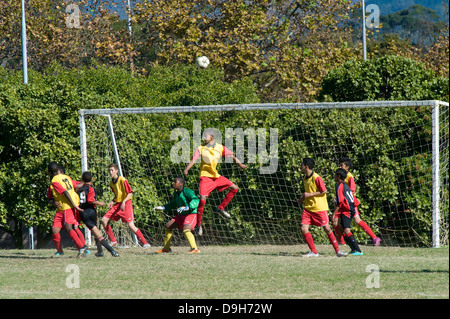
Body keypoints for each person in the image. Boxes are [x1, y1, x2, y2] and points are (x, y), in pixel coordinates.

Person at [183, 129, 246, 235]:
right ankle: (198, 225)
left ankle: (221, 208)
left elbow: (232, 156)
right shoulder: (200, 148)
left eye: (205, 136)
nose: (204, 138)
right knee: (202, 200)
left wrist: (240, 164)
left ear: (212, 137)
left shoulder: (220, 147)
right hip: (205, 178)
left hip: (216, 177)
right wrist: (187, 169)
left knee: (235, 188)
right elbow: (193, 160)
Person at [297, 158, 346, 257]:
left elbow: (324, 191)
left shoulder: (316, 177)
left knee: (327, 229)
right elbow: (308, 193)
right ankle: (314, 252)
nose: (301, 166)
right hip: (308, 208)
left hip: (319, 208)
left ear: (306, 166)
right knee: (303, 228)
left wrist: (308, 195)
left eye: (302, 164)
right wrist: (302, 199)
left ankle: (338, 251)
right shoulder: (306, 178)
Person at [333, 157, 381, 246]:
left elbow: (353, 190)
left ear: (347, 167)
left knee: (357, 220)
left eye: (342, 165)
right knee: (335, 221)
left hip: (349, 203)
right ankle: (341, 241)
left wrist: (344, 197)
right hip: (342, 203)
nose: (339, 166)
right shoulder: (340, 176)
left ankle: (374, 238)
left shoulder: (350, 177)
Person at [101, 164, 150, 248]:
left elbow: (130, 193)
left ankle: (145, 243)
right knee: (104, 220)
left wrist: (123, 201)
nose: (110, 172)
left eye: (112, 170)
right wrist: (112, 201)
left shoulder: (122, 180)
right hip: (118, 204)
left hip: (126, 204)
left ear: (116, 171)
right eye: (109, 170)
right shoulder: (111, 183)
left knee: (131, 225)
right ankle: (113, 241)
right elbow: (117, 195)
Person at [47, 162, 88, 258]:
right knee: (55, 230)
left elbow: (65, 192)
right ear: (57, 170)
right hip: (60, 209)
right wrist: (53, 203)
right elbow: (50, 198)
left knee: (70, 228)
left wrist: (74, 205)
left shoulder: (55, 180)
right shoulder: (66, 177)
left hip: (67, 207)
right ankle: (60, 251)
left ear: (49, 172)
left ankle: (81, 247)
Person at [76, 171, 119, 257]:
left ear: (82, 179)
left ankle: (109, 251)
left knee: (96, 233)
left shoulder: (79, 189)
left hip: (84, 212)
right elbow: (90, 200)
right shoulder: (91, 188)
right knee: (96, 232)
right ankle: (103, 251)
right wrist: (99, 203)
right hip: (91, 211)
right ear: (92, 179)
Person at [154, 177, 200, 253]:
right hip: (182, 215)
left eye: (175, 182)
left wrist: (187, 207)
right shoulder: (176, 194)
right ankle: (166, 249)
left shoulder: (187, 191)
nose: (173, 183)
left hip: (192, 214)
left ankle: (195, 249)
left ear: (181, 184)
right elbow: (173, 203)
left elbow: (196, 200)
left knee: (186, 229)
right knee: (168, 226)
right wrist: (163, 207)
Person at [333, 168, 363, 256]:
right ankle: (353, 249)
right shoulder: (344, 185)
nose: (334, 177)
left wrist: (334, 214)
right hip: (349, 208)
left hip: (347, 210)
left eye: (335, 175)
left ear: (338, 176)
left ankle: (358, 250)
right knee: (341, 229)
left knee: (346, 229)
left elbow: (340, 202)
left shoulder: (340, 186)